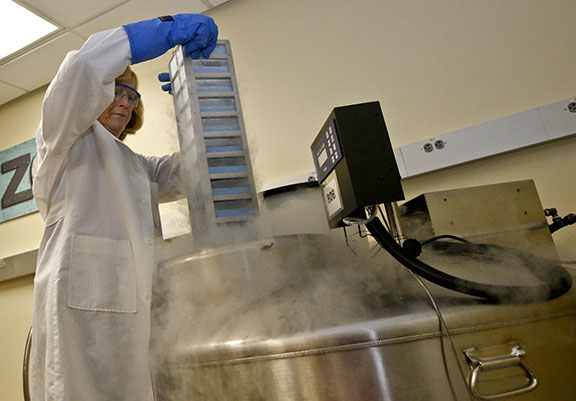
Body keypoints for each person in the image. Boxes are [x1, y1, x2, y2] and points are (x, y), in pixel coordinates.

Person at [30, 14, 218, 401]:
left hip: (127, 323)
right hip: (81, 322)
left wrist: (193, 97)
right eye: (115, 90)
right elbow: (82, 67)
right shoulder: (65, 140)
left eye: (132, 96)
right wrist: (167, 30)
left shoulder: (135, 166)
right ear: (92, 97)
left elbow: (195, 170)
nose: (124, 102)